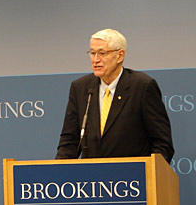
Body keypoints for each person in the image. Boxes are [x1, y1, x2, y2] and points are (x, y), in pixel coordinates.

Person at [55, 28, 174, 163]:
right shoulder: (81, 88)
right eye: (92, 53)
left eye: (102, 53)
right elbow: (69, 141)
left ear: (120, 55)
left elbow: (162, 142)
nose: (95, 60)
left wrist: (152, 173)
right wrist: (59, 173)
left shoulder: (142, 86)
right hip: (91, 178)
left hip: (133, 179)